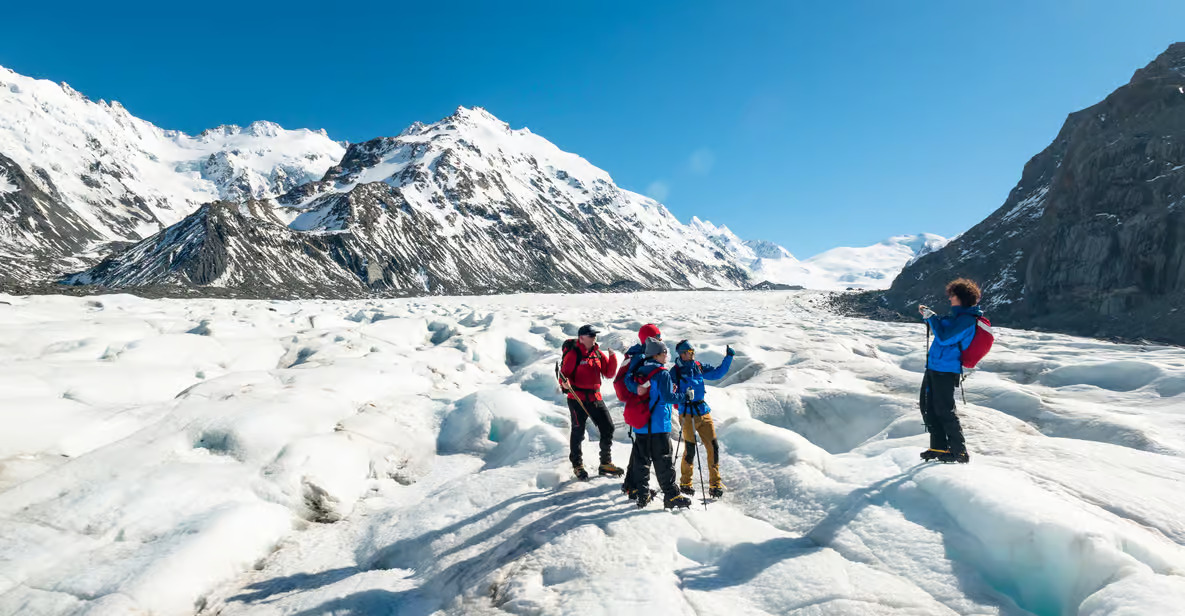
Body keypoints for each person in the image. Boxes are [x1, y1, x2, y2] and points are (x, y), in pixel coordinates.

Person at [621, 337, 692, 509]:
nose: (667, 355)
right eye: (665, 352)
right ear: (657, 355)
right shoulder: (662, 373)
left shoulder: (640, 370)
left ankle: (642, 494)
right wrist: (685, 396)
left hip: (642, 424)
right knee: (664, 461)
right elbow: (668, 398)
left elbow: (630, 384)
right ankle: (671, 496)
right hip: (659, 424)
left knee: (641, 461)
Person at [918, 278, 983, 464]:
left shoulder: (967, 320)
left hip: (945, 370)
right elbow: (943, 330)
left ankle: (959, 451)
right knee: (928, 406)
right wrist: (931, 315)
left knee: (944, 410)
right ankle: (938, 446)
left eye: (952, 296)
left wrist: (931, 318)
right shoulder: (956, 317)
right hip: (935, 367)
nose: (950, 299)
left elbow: (945, 338)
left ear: (961, 298)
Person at [671, 340, 735, 498]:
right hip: (687, 413)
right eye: (689, 352)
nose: (691, 354)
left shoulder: (697, 366)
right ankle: (686, 483)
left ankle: (715, 484)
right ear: (682, 354)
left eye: (692, 351)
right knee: (690, 449)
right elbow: (670, 394)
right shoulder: (675, 372)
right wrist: (682, 398)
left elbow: (717, 374)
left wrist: (728, 358)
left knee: (713, 447)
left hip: (702, 411)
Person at [560, 324, 622, 479]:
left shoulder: (597, 354)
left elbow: (608, 373)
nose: (594, 337)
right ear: (582, 338)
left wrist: (613, 358)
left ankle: (605, 463)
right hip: (577, 399)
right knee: (578, 431)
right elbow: (563, 376)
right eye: (591, 335)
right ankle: (577, 465)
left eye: (595, 335)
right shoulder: (573, 355)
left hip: (595, 398)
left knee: (607, 427)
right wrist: (565, 384)